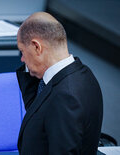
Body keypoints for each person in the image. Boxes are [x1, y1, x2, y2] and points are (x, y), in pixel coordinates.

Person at [16, 12, 103, 154]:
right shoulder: (84, 74)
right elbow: (36, 110)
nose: (22, 59)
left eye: (22, 51)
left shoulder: (65, 97)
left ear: (37, 47)